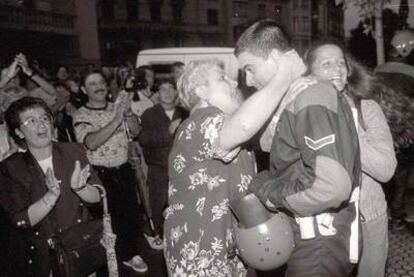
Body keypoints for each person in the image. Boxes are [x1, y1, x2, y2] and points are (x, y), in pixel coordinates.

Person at [234, 19, 361, 276]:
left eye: (250, 68)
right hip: (309, 236)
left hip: (319, 241)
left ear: (273, 57)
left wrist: (270, 192)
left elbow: (331, 188)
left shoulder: (311, 96)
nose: (248, 80)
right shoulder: (297, 96)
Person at [164, 52, 305, 276]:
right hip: (200, 253)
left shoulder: (224, 122)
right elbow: (245, 125)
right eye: (221, 78)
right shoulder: (201, 122)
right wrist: (284, 75)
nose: (232, 82)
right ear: (201, 92)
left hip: (228, 249)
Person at [304, 42, 397, 277]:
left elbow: (386, 169)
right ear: (309, 73)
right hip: (323, 224)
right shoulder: (301, 111)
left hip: (369, 217)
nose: (337, 68)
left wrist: (346, 123)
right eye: (326, 64)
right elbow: (267, 143)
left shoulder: (367, 109)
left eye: (341, 63)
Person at [0, 97, 102, 277]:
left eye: (45, 118)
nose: (41, 124)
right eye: (31, 121)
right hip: (44, 257)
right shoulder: (11, 168)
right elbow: (20, 220)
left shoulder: (72, 151)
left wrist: (81, 189)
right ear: (19, 132)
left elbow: (98, 196)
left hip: (81, 247)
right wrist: (51, 196)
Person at [72, 71, 148, 273]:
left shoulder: (117, 107)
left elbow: (136, 131)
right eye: (92, 83)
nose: (98, 86)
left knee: (130, 215)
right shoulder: (80, 114)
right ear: (83, 89)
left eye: (101, 82)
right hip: (99, 174)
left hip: (123, 170)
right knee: (105, 220)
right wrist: (116, 120)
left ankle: (130, 254)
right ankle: (104, 260)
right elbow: (91, 142)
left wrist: (128, 114)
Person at [138, 79, 188, 250]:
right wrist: (168, 131)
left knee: (183, 204)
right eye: (162, 88)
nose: (167, 92)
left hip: (183, 170)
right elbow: (144, 139)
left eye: (171, 89)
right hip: (158, 169)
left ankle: (183, 237)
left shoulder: (186, 112)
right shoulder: (149, 114)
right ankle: (160, 235)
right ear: (157, 93)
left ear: (176, 93)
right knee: (159, 203)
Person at [375, 29, 414, 231]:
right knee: (401, 177)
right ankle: (397, 217)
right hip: (405, 135)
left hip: (380, 132)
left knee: (386, 176)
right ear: (407, 50)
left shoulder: (377, 71)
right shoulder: (411, 75)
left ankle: (383, 215)